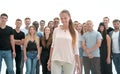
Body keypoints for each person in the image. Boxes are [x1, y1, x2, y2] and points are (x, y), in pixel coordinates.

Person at [47, 9, 81, 74]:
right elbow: (52, 46)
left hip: (69, 60)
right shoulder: (56, 30)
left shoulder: (74, 32)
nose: (63, 20)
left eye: (65, 18)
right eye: (61, 18)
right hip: (56, 59)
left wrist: (78, 63)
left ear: (69, 17)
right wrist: (50, 60)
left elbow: (76, 49)